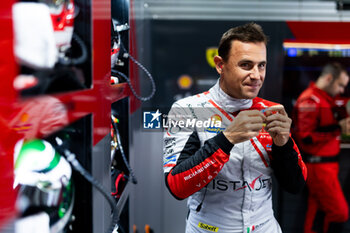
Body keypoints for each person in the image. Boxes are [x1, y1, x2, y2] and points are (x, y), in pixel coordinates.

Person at [163, 23, 307, 233]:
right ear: (220, 65)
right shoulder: (187, 110)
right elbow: (177, 186)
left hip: (264, 227)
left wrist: (283, 145)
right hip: (209, 228)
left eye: (262, 65)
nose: (257, 75)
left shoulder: (271, 111)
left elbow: (295, 185)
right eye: (246, 65)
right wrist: (227, 138)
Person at [292, 62, 350, 233]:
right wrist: (337, 129)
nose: (341, 90)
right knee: (339, 213)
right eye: (340, 85)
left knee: (316, 212)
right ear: (329, 78)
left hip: (326, 166)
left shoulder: (324, 98)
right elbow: (306, 137)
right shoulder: (310, 99)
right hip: (318, 167)